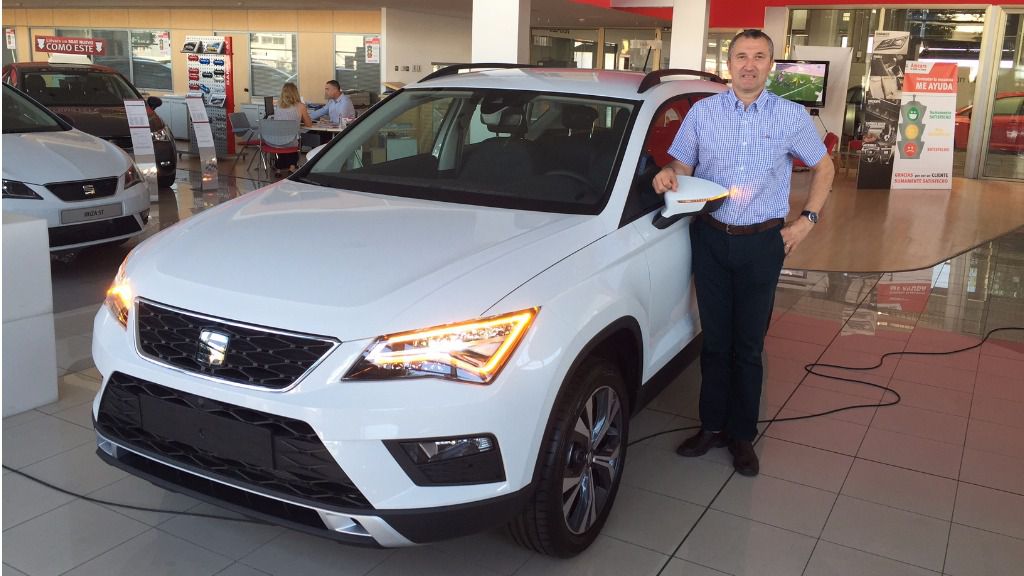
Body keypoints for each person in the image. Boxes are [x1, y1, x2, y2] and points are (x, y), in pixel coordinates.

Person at [652, 29, 835, 476]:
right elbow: (683, 163)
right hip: (711, 238)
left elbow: (824, 167)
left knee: (748, 347)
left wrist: (806, 221)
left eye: (759, 56)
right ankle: (711, 426)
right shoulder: (703, 113)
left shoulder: (791, 116)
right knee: (714, 342)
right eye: (741, 56)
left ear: (771, 65)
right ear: (728, 63)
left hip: (762, 242)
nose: (749, 64)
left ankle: (741, 435)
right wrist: (668, 175)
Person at [271, 82, 312, 175]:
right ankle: (292, 167)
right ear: (295, 93)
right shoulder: (301, 106)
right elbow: (309, 124)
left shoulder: (278, 105)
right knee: (294, 138)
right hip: (291, 141)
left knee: (286, 139)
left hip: (275, 140)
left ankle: (280, 166)